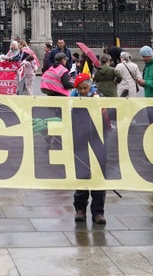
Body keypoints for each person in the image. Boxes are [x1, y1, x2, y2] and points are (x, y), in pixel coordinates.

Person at [70, 75, 106, 224]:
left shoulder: (100, 97)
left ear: (91, 86)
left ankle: (98, 212)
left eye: (85, 88)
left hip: (99, 139)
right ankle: (80, 209)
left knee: (99, 176)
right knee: (82, 174)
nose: (83, 91)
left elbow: (108, 115)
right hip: (80, 139)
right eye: (80, 89)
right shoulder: (73, 99)